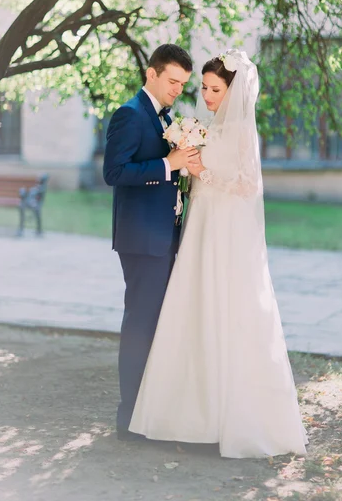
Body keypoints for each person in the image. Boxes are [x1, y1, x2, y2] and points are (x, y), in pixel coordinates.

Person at [129, 49, 308, 458]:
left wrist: (199, 171)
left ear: (234, 90)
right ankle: (187, 417)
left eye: (215, 89)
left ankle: (233, 417)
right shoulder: (204, 128)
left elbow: (245, 185)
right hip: (200, 230)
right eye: (204, 89)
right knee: (193, 309)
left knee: (230, 309)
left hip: (227, 233)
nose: (207, 97)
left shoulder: (244, 131)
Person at [103, 44, 199, 439]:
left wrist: (184, 170)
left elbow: (166, 178)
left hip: (165, 236)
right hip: (141, 240)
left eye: (183, 84)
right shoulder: (129, 114)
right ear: (152, 74)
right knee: (140, 324)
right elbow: (114, 172)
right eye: (173, 81)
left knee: (158, 324)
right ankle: (128, 417)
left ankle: (149, 410)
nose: (178, 89)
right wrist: (167, 165)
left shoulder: (167, 117)